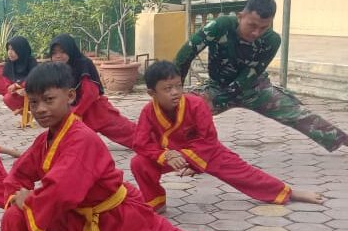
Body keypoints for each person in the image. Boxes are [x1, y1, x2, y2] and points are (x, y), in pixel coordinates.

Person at [0, 62, 298, 231]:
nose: (41, 109)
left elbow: (61, 190)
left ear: (70, 96)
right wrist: (18, 195)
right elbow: (20, 173)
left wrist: (28, 198)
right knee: (15, 218)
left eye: (48, 99)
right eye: (34, 103)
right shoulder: (48, 139)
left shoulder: (80, 139)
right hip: (76, 216)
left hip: (120, 217)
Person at [132, 61, 322, 211]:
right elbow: (141, 143)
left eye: (178, 86)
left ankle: (289, 192)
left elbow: (208, 140)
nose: (175, 92)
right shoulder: (148, 112)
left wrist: (188, 159)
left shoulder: (196, 104)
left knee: (244, 173)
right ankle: (155, 202)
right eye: (167, 89)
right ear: (152, 93)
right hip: (171, 157)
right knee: (139, 163)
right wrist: (165, 155)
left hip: (206, 152)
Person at [174, 0, 346, 152]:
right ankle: (183, 149)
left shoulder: (272, 40)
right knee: (183, 109)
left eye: (263, 27)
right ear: (241, 16)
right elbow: (185, 54)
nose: (256, 32)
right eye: (252, 25)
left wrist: (218, 99)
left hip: (255, 88)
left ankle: (343, 140)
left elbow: (250, 75)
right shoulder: (221, 25)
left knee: (298, 114)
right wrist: (176, 90)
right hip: (218, 86)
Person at [49, 34, 137, 149]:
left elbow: (91, 93)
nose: (58, 56)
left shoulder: (83, 63)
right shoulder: (57, 69)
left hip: (96, 110)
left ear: (70, 50)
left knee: (134, 135)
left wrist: (76, 113)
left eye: (62, 52)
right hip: (76, 113)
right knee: (59, 142)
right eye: (54, 53)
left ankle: (159, 139)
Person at [1, 36, 38, 125]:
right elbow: (7, 81)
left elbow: (35, 77)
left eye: (13, 49)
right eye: (8, 49)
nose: (10, 52)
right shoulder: (9, 64)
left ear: (21, 50)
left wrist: (20, 85)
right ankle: (26, 116)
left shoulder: (31, 62)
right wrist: (12, 88)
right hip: (19, 94)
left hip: (34, 93)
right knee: (7, 98)